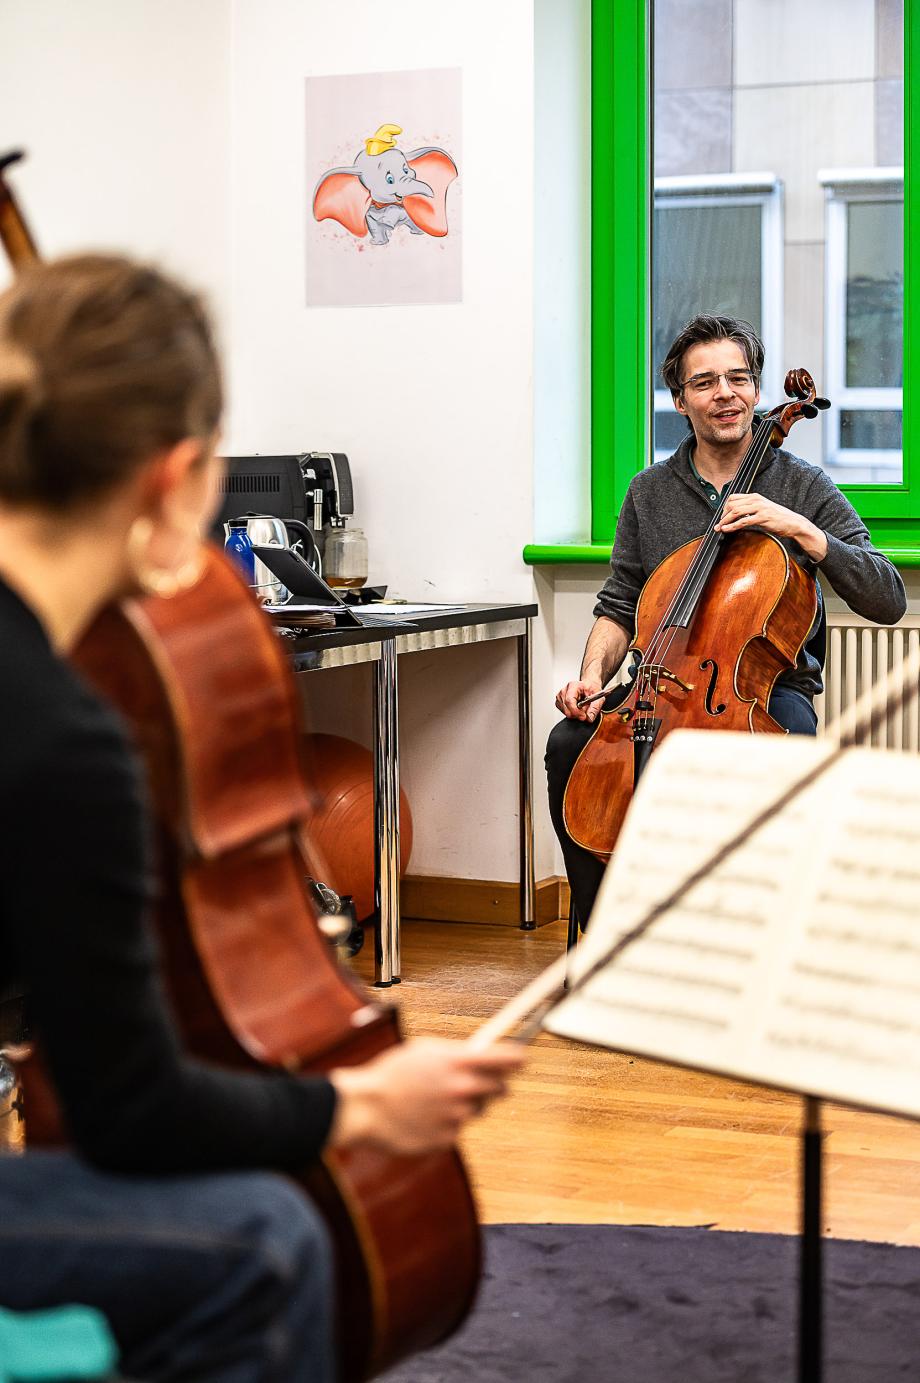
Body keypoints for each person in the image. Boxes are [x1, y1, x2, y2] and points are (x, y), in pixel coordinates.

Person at [0, 254, 524, 1383]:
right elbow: (134, 1112)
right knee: (264, 1240)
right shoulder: (58, 732)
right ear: (180, 478)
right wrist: (354, 1106)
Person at [548, 314, 907, 929]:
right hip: (656, 684)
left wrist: (799, 528)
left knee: (780, 750)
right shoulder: (648, 492)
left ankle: (750, 938)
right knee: (568, 745)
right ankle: (603, 931)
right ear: (680, 399)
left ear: (758, 390)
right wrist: (591, 676)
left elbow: (888, 597)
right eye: (705, 382)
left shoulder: (802, 485)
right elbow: (619, 604)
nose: (725, 394)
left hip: (765, 688)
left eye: (738, 379)